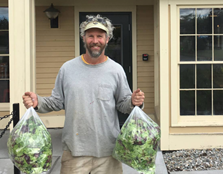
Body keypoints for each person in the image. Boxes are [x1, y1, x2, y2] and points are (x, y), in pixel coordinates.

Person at [22, 14, 145, 174]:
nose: (95, 40)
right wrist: (37, 102)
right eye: (90, 36)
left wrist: (135, 102)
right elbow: (56, 102)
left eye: (100, 36)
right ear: (83, 38)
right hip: (74, 152)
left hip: (108, 153)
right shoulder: (67, 69)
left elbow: (123, 104)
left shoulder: (116, 70)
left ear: (107, 39)